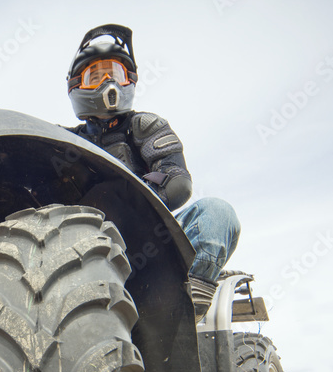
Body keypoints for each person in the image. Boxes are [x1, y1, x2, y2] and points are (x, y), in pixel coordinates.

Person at [65, 24, 241, 318]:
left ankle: (184, 305)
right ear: (76, 85)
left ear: (129, 81)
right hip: (82, 248)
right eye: (95, 76)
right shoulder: (64, 141)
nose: (108, 82)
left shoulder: (145, 127)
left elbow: (177, 183)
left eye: (116, 74)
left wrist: (127, 198)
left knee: (217, 212)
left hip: (151, 242)